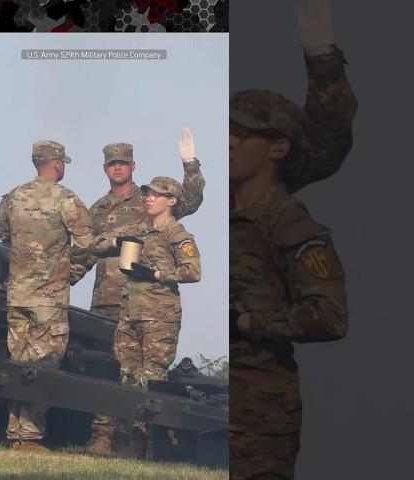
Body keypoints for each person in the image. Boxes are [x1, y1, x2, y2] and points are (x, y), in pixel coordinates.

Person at [229, 2, 357, 477]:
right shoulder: (223, 210)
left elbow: (328, 317)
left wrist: (322, 56)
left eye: (245, 134)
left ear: (278, 149)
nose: (230, 141)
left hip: (258, 416)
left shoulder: (288, 225)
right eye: (227, 130)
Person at [73, 128, 205, 454]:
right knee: (107, 369)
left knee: (149, 374)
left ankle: (143, 443)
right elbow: (89, 252)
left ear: (133, 165)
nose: (117, 168)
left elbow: (191, 199)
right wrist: (61, 280)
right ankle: (105, 437)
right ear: (105, 168)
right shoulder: (100, 208)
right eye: (111, 163)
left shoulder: (152, 203)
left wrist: (190, 164)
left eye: (123, 163)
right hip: (107, 299)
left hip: (150, 305)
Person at [0, 140, 93, 452]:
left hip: (18, 295)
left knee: (18, 363)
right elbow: (87, 244)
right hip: (49, 299)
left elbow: (2, 235)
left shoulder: (14, 197)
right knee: (44, 366)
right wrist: (71, 273)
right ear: (58, 164)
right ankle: (31, 437)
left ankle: (16, 434)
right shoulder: (66, 199)